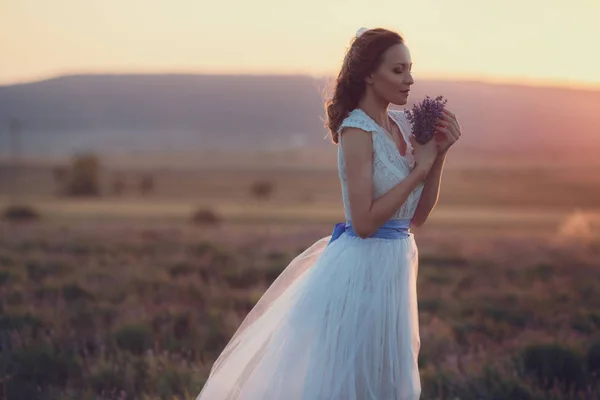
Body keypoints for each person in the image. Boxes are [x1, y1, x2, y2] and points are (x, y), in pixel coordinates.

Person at [197, 27, 462, 400]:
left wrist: (439, 158)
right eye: (398, 70)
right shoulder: (357, 130)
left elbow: (415, 217)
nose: (410, 80)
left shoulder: (401, 127)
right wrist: (419, 170)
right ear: (369, 74)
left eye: (410, 69)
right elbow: (364, 223)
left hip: (396, 269)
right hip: (361, 273)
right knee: (350, 382)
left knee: (386, 382)